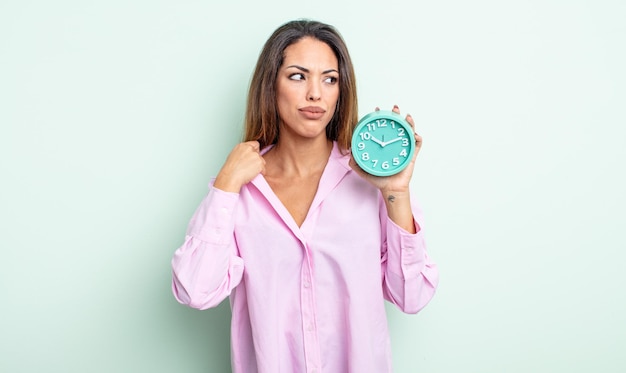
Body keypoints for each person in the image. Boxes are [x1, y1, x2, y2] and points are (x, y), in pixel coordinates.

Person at [171, 19, 439, 373]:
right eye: (298, 76)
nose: (316, 93)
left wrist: (397, 194)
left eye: (330, 79)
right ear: (272, 85)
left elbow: (412, 296)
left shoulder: (372, 184)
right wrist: (225, 186)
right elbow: (195, 291)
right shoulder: (241, 191)